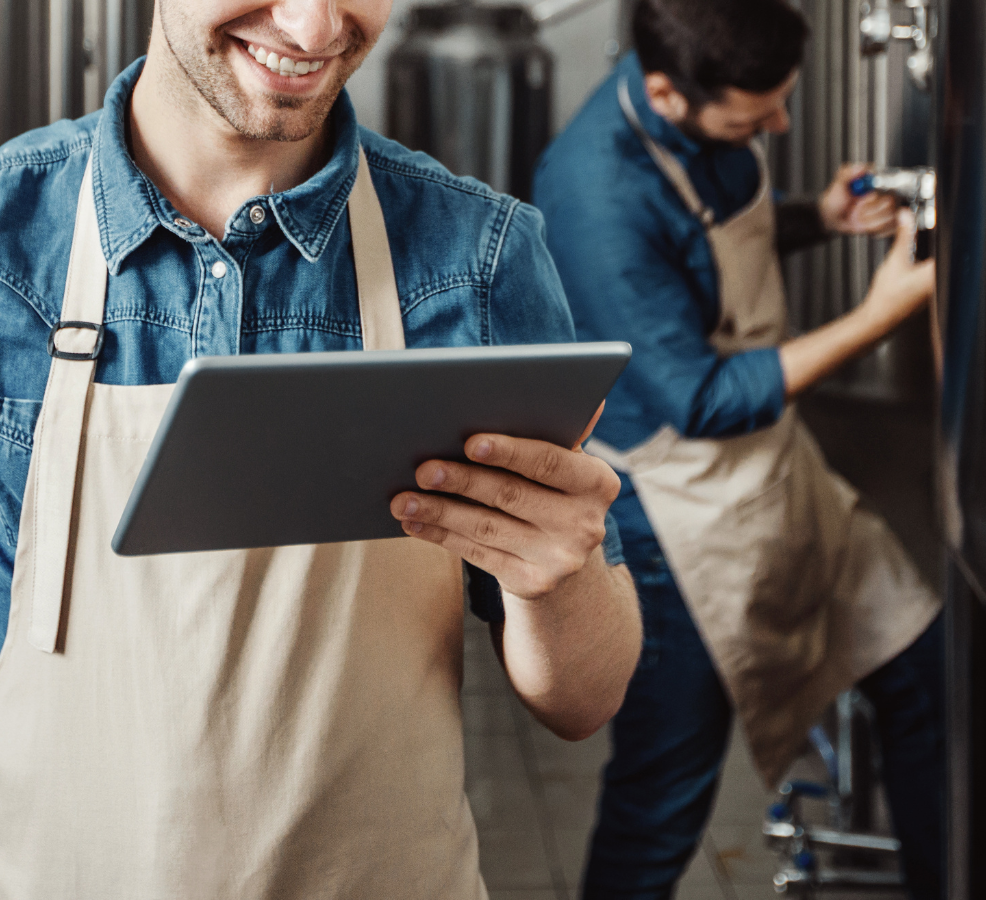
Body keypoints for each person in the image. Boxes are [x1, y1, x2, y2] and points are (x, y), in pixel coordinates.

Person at [0, 1, 642, 896]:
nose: (310, 27)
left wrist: (559, 579)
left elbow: (586, 701)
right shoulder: (9, 242)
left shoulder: (479, 260)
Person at [533, 0, 945, 897]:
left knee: (927, 680)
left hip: (777, 470)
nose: (780, 127)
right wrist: (875, 319)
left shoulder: (698, 102)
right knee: (662, 795)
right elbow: (703, 399)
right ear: (665, 93)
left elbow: (710, 253)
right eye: (756, 118)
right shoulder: (593, 195)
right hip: (676, 511)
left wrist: (820, 219)